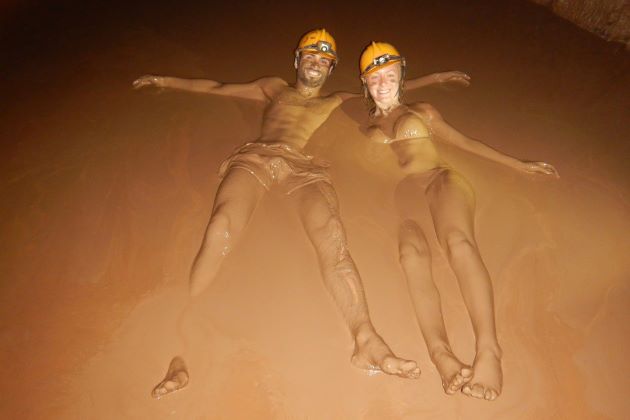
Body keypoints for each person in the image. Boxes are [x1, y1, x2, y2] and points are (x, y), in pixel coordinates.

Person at [134, 29, 468, 398]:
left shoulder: (338, 99)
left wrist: (435, 78)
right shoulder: (272, 88)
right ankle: (180, 350)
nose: (316, 63)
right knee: (220, 227)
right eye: (310, 56)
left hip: (304, 167)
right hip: (257, 156)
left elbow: (384, 89)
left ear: (331, 68)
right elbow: (216, 87)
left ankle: (367, 341)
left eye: (324, 60)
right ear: (297, 60)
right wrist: (163, 80)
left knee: (332, 236)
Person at [358, 42, 558, 401]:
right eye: (375, 79)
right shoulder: (363, 123)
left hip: (439, 180)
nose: (384, 84)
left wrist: (518, 164)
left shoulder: (422, 111)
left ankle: (489, 351)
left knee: (458, 244)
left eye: (391, 76)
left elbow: (466, 142)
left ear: (402, 76)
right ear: (365, 83)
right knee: (411, 259)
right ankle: (442, 357)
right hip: (403, 196)